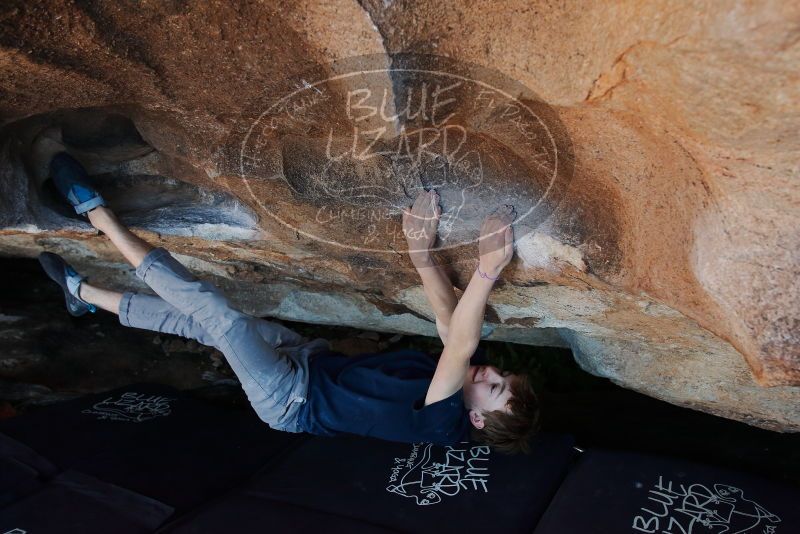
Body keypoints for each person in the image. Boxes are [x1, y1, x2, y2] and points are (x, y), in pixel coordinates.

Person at [37, 149, 539, 454]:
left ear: (479, 419)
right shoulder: (458, 390)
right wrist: (421, 255)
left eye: (496, 388)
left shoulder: (442, 424)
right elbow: (453, 331)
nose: (489, 373)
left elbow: (460, 345)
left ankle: (98, 215)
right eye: (502, 376)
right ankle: (81, 294)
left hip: (288, 400)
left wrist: (487, 268)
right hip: (307, 359)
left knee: (220, 316)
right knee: (204, 326)